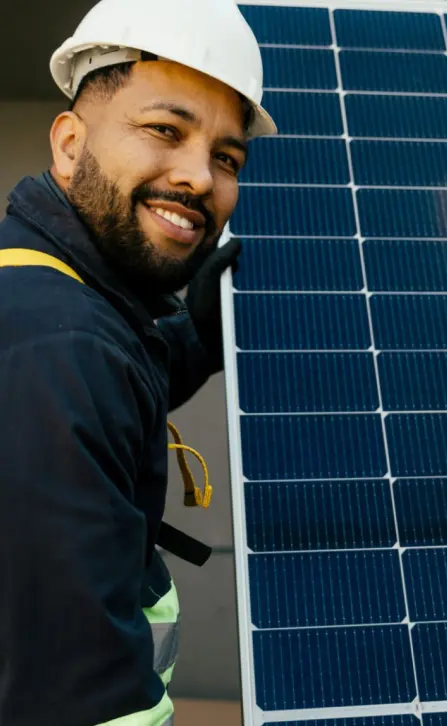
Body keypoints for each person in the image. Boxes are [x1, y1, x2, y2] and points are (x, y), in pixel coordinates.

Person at [0, 0, 276, 724]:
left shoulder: (51, 296)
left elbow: (109, 380)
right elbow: (76, 700)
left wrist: (195, 337)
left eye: (226, 158)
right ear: (69, 144)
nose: (198, 179)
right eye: (164, 130)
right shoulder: (62, 352)